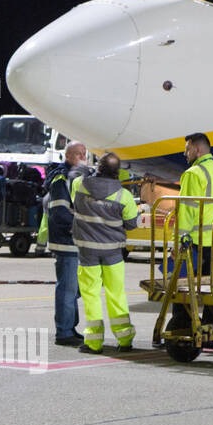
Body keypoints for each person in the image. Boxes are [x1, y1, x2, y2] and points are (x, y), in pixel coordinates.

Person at [70, 153, 139, 354]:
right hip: (113, 253)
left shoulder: (79, 185)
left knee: (91, 295)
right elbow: (131, 223)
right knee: (116, 294)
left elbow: (75, 186)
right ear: (118, 172)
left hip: (87, 251)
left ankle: (93, 342)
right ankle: (125, 339)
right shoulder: (123, 195)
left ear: (97, 167)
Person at [38, 141, 92, 346]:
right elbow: (60, 212)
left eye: (84, 154)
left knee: (74, 290)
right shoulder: (61, 180)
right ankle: (64, 332)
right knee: (68, 289)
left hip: (77, 242)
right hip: (66, 242)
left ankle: (70, 327)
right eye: (78, 153)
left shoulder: (79, 178)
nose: (82, 157)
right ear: (68, 156)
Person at [176, 133, 213, 283]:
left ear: (198, 150)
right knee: (212, 289)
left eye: (188, 149)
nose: (185, 154)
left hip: (197, 243)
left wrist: (177, 242)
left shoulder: (193, 174)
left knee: (184, 291)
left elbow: (186, 211)